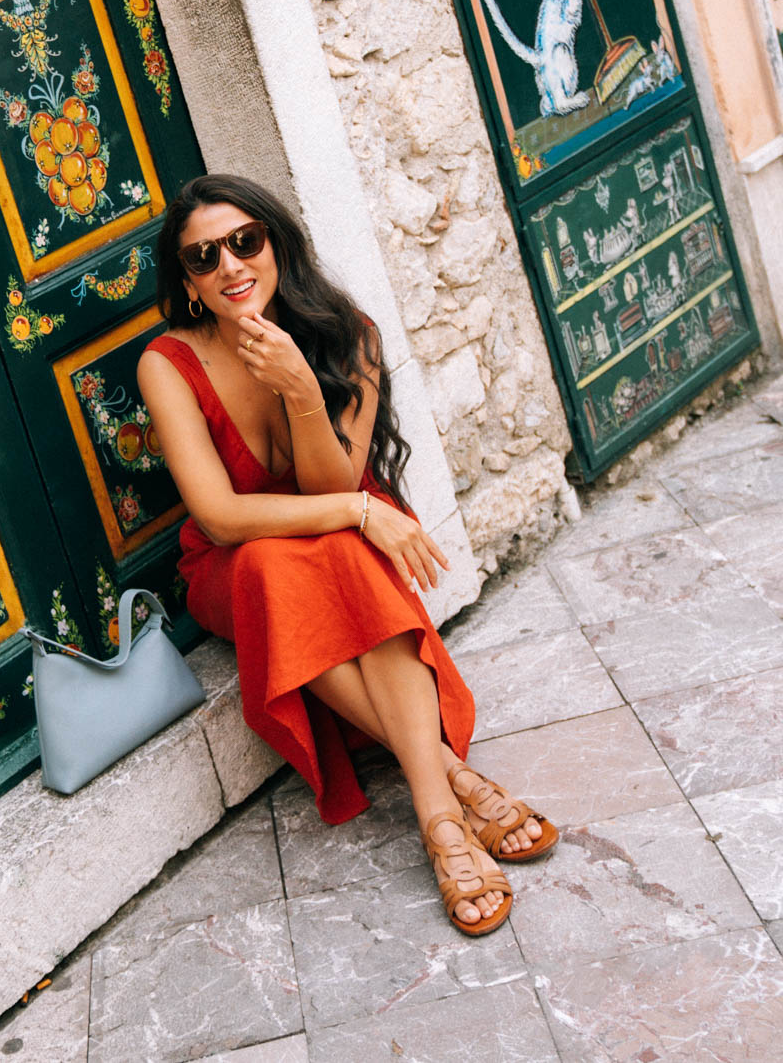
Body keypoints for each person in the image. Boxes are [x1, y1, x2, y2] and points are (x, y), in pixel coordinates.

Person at [138, 174, 558, 936]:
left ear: (277, 244)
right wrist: (366, 510)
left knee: (329, 549)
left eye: (245, 242)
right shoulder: (167, 364)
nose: (230, 266)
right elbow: (224, 518)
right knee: (281, 559)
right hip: (235, 565)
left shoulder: (348, 335)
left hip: (330, 541)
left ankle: (438, 817)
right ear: (190, 285)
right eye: (204, 258)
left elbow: (328, 476)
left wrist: (301, 388)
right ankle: (449, 775)